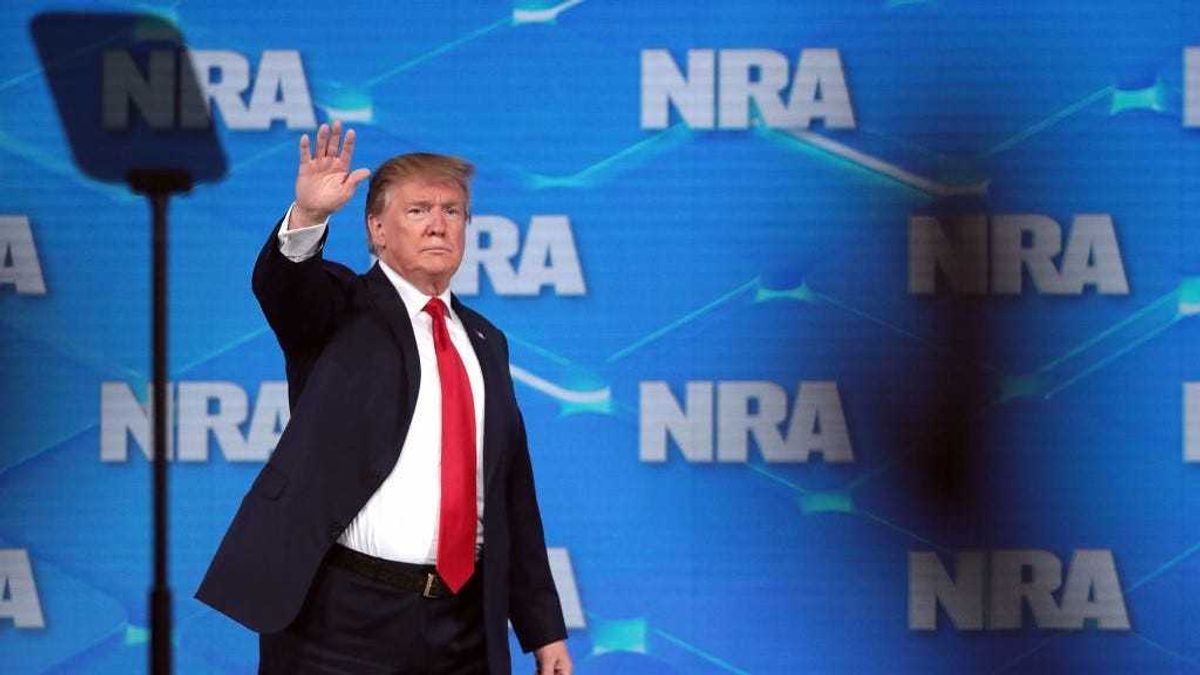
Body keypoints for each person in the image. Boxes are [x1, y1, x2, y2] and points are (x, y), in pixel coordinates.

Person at [196, 120, 572, 674]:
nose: (438, 226)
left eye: (452, 212)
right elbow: (285, 288)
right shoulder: (341, 308)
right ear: (376, 228)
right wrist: (309, 218)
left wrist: (544, 631)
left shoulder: (488, 342)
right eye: (418, 210)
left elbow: (513, 494)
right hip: (343, 619)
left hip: (464, 625)